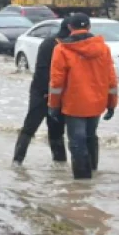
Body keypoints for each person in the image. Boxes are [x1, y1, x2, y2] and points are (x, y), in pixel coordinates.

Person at [48, 13, 118, 180]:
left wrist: (53, 106)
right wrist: (111, 104)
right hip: (97, 103)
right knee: (90, 136)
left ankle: (82, 182)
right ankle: (93, 172)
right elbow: (111, 78)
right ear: (89, 27)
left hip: (74, 105)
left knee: (77, 141)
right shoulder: (103, 49)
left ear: (70, 28)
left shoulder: (62, 49)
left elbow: (57, 82)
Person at [13, 19, 70, 165]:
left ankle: (59, 164)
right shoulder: (49, 44)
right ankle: (17, 161)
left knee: (56, 131)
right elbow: (42, 71)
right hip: (41, 92)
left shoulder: (69, 46)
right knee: (30, 127)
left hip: (58, 95)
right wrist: (47, 92)